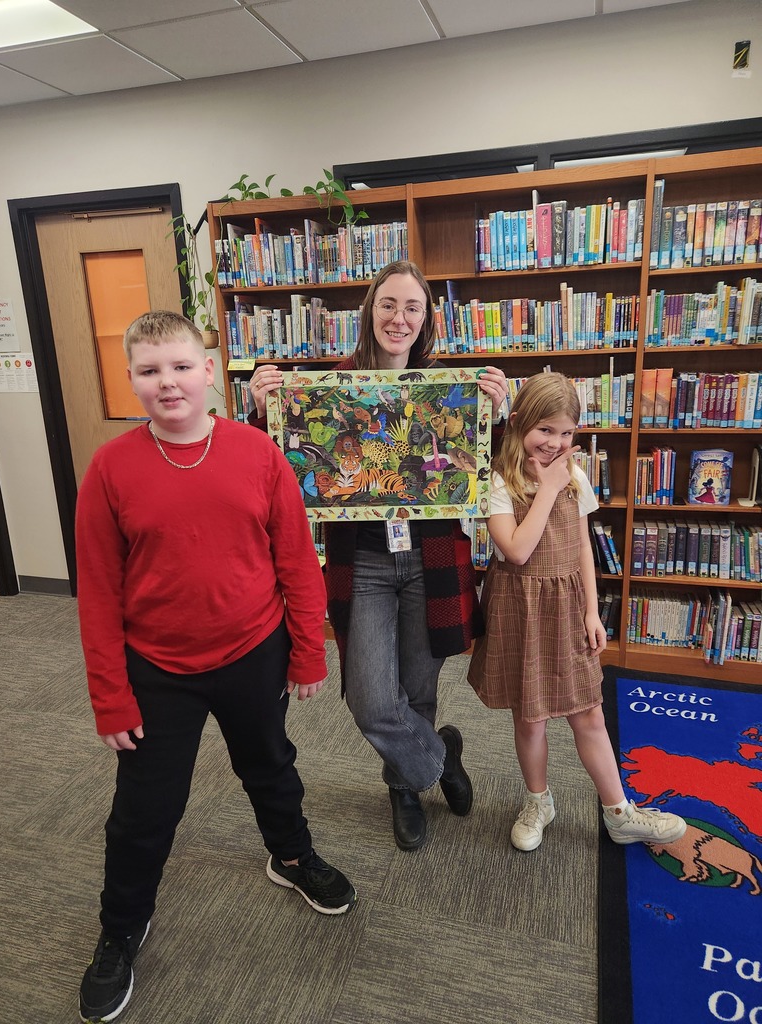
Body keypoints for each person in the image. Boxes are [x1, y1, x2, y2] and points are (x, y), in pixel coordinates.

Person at [75, 311, 355, 1024]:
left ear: (209, 372)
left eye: (180, 366)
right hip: (155, 667)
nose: (166, 382)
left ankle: (291, 858)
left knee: (270, 765)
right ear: (133, 380)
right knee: (144, 810)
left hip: (252, 650)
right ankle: (120, 928)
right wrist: (110, 697)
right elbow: (99, 594)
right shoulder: (110, 469)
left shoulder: (258, 455)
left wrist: (307, 648)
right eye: (149, 371)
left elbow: (296, 558)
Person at [249, 260, 509, 852]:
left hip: (431, 561)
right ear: (370, 311)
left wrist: (496, 414)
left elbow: (482, 469)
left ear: (426, 320)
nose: (399, 317)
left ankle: (404, 787)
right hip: (361, 563)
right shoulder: (328, 391)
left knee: (416, 688)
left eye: (412, 307)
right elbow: (282, 470)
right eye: (388, 305)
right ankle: (440, 758)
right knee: (370, 700)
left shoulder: (449, 392)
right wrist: (264, 412)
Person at [467, 372, 687, 851]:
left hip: (568, 606)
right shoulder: (498, 480)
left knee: (588, 712)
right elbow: (516, 552)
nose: (556, 443)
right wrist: (546, 488)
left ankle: (619, 812)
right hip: (518, 606)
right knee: (530, 717)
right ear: (520, 421)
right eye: (546, 430)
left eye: (567, 433)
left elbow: (583, 544)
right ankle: (538, 800)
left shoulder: (575, 474)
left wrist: (592, 610)